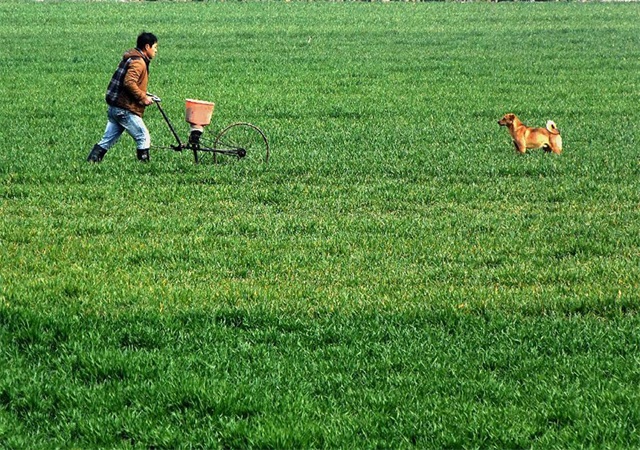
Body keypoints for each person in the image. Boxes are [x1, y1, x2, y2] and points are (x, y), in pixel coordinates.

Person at [87, 32, 158, 163]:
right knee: (143, 136)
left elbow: (130, 84)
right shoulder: (139, 62)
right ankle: (145, 167)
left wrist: (145, 94)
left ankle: (92, 161)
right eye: (155, 47)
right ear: (147, 47)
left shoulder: (131, 58)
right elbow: (129, 82)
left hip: (115, 108)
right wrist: (143, 97)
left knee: (107, 140)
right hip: (124, 109)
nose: (156, 51)